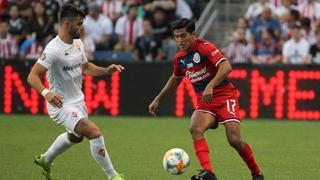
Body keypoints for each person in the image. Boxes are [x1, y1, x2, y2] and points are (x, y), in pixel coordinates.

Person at [148, 18, 264, 180]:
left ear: (193, 35)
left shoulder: (205, 47)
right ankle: (208, 173)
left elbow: (226, 66)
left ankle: (256, 173)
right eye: (176, 37)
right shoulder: (179, 58)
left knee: (234, 140)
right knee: (195, 128)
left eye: (183, 36)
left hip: (225, 96)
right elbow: (175, 79)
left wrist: (210, 85)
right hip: (206, 102)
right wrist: (158, 98)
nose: (179, 40)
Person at [27, 4, 125, 180]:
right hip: (60, 104)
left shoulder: (78, 43)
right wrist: (46, 93)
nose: (82, 27)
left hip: (78, 101)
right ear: (66, 24)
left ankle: (46, 160)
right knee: (94, 132)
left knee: (76, 137)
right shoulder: (53, 50)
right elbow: (32, 76)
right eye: (79, 24)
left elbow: (85, 67)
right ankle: (113, 176)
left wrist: (106, 71)